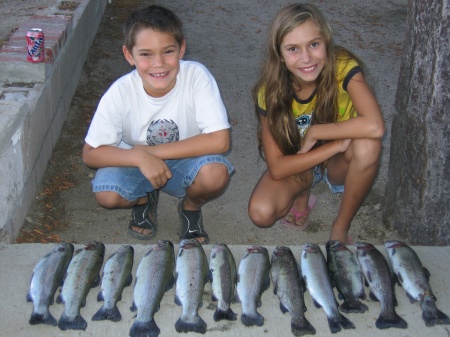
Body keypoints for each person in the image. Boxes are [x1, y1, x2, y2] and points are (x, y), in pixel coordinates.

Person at [82, 5, 233, 244]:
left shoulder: (197, 77)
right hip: (135, 162)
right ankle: (144, 199)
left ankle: (190, 208)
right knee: (107, 194)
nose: (159, 63)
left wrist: (149, 153)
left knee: (215, 173)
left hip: (186, 158)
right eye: (146, 54)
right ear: (129, 55)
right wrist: (140, 159)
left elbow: (220, 140)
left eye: (168, 51)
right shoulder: (120, 92)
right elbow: (90, 154)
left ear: (182, 49)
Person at [248, 3, 385, 244]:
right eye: (293, 49)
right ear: (279, 55)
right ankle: (302, 190)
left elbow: (375, 126)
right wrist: (335, 144)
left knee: (369, 145)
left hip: (339, 163)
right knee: (261, 213)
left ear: (326, 41)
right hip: (300, 161)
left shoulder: (343, 67)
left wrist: (317, 131)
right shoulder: (269, 91)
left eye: (314, 44)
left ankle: (340, 226)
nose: (306, 57)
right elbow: (278, 167)